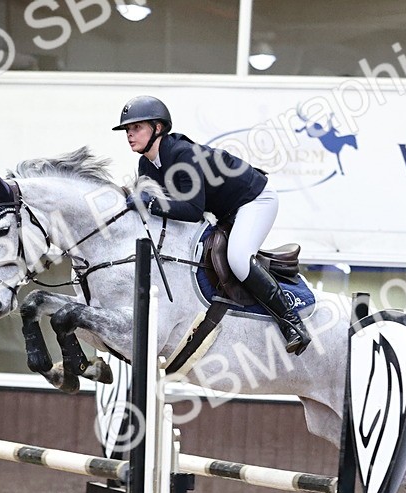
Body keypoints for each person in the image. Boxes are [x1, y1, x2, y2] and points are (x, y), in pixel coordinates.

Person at [113, 95, 310, 355]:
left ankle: (292, 323)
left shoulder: (182, 154)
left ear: (158, 128)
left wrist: (150, 204)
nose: (129, 134)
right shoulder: (146, 164)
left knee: (238, 259)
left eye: (136, 127)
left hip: (255, 200)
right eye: (127, 129)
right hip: (225, 210)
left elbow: (192, 211)